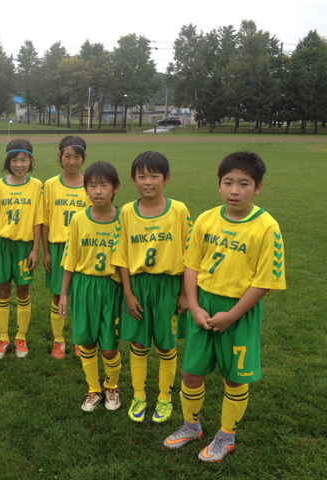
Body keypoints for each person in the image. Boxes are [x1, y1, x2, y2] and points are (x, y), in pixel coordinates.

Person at [164, 151, 286, 462]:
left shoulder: (266, 226)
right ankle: (191, 426)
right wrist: (193, 306)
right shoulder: (205, 219)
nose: (234, 190)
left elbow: (266, 280)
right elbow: (191, 265)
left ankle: (226, 435)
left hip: (238, 311)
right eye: (228, 182)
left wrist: (232, 315)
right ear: (218, 185)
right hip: (202, 305)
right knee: (191, 373)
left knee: (235, 377)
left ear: (257, 187)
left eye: (244, 184)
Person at [112, 151, 193, 424]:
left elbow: (189, 255)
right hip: (138, 286)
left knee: (166, 345)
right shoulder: (126, 212)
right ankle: (139, 395)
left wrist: (184, 293)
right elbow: (121, 256)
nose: (148, 182)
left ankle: (165, 397)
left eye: (154, 176)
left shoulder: (179, 210)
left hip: (168, 286)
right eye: (141, 176)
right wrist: (128, 293)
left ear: (166, 178)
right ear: (133, 180)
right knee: (138, 343)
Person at [58, 161, 123, 412]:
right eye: (92, 185)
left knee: (108, 348)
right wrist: (64, 293)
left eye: (104, 185)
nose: (98, 191)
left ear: (115, 187)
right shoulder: (78, 219)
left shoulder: (123, 218)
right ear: (85, 190)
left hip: (111, 288)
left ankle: (112, 386)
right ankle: (93, 389)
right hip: (84, 287)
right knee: (86, 343)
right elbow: (70, 258)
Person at [0, 139, 43, 359]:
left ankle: (21, 337)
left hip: (24, 246)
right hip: (2, 245)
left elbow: (38, 219)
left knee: (22, 290)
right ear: (7, 161)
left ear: (30, 160)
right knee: (2, 291)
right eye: (14, 159)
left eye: (24, 159)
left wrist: (36, 249)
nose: (19, 164)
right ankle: (3, 338)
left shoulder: (37, 185)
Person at [41, 136, 88, 359]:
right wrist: (47, 252)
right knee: (57, 295)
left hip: (83, 249)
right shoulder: (50, 185)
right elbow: (45, 221)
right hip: (58, 247)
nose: (72, 161)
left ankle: (79, 340)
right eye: (67, 156)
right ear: (59, 156)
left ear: (84, 157)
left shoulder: (91, 183)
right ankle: (58, 341)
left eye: (76, 156)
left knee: (78, 295)